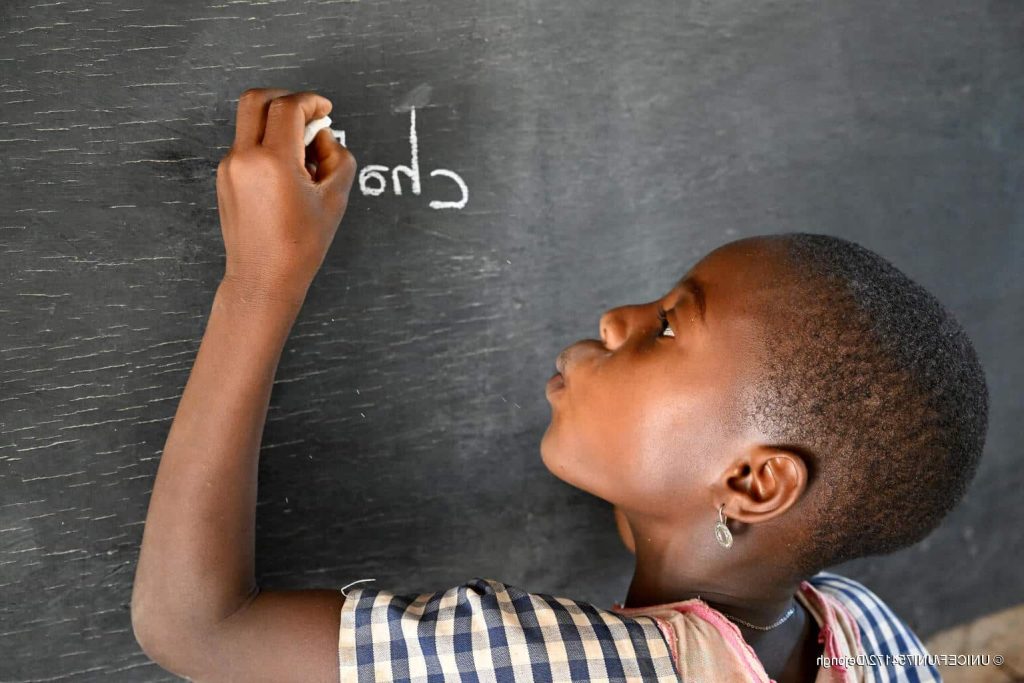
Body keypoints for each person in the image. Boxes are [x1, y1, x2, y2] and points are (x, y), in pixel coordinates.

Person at [130, 89, 988, 683]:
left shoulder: (558, 662)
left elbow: (196, 627)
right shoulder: (864, 630)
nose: (616, 317)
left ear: (755, 481)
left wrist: (261, 279)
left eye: (666, 326)